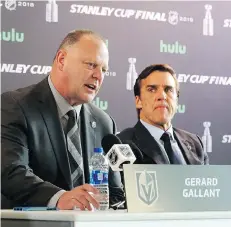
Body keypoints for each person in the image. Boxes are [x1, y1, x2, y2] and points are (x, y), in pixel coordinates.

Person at [1, 29, 125, 210]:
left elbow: (114, 193)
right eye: (91, 65)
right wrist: (59, 198)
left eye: (104, 70)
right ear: (61, 60)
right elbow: (11, 172)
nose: (98, 76)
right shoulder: (16, 106)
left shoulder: (104, 122)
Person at [117, 64, 209, 165]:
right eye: (152, 89)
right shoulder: (122, 144)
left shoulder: (195, 144)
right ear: (138, 101)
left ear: (177, 100)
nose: (162, 96)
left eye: (168, 89)